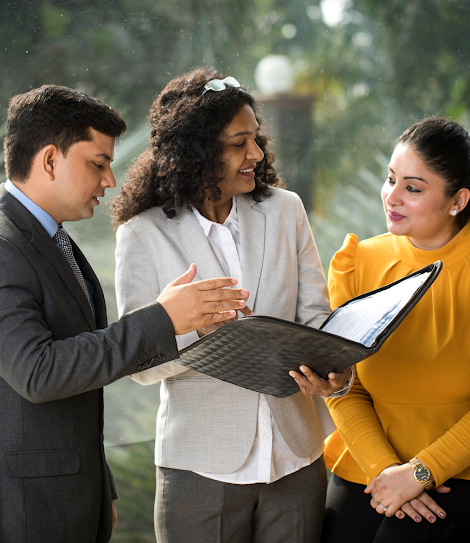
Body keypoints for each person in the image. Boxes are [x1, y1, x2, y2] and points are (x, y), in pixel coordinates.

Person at [0, 84, 250, 543]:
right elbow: (39, 373)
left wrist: (100, 489)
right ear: (49, 160)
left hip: (70, 496)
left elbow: (77, 385)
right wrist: (164, 318)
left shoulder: (50, 236)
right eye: (98, 163)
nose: (110, 181)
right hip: (24, 510)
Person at [111, 67, 353, 543]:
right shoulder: (142, 234)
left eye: (256, 139)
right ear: (197, 151)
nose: (257, 154)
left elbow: (314, 318)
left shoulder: (286, 210)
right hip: (200, 468)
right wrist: (191, 328)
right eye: (239, 143)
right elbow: (138, 365)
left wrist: (337, 369)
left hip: (297, 459)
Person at [299, 117, 470, 542]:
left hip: (468, 469)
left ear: (457, 200)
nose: (391, 197)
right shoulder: (359, 262)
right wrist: (385, 471)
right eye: (391, 178)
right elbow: (346, 389)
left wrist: (420, 473)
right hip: (369, 461)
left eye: (412, 188)